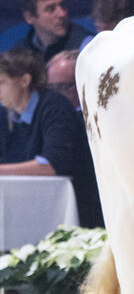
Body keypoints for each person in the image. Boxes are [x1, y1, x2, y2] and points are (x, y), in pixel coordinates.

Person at [0, 48, 103, 226]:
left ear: (24, 80)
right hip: (31, 207)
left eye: (2, 82)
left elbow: (54, 164)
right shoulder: (7, 115)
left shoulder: (54, 107)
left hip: (75, 213)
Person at [17, 0, 90, 62]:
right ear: (29, 17)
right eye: (50, 9)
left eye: (62, 5)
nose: (62, 14)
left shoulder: (85, 46)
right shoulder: (21, 51)